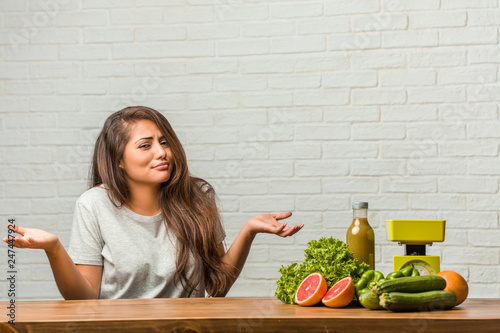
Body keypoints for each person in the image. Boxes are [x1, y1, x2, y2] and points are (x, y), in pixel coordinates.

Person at [3, 106, 303, 300]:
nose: (162, 152)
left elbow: (217, 287)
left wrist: (248, 231)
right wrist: (54, 249)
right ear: (119, 160)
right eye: (145, 145)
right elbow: (84, 298)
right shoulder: (93, 205)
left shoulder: (196, 197)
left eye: (164, 141)